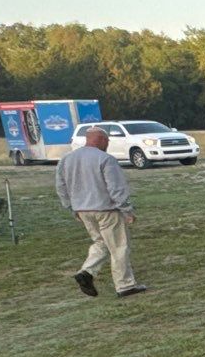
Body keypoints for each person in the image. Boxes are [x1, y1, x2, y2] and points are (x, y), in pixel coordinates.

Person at [55, 126, 147, 298]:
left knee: (100, 243)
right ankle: (125, 285)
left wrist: (71, 208)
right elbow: (116, 188)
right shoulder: (105, 159)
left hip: (83, 210)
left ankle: (87, 272)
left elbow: (61, 187)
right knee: (119, 246)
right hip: (106, 210)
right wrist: (127, 210)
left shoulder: (66, 160)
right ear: (103, 140)